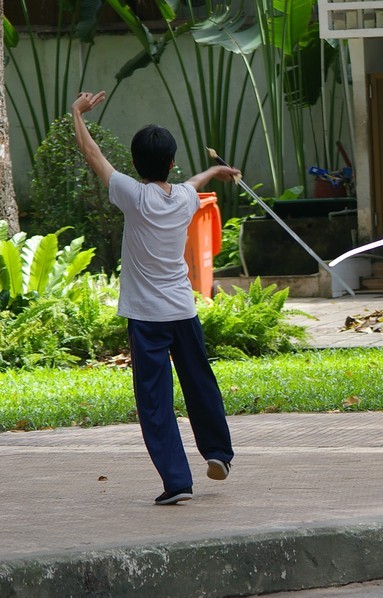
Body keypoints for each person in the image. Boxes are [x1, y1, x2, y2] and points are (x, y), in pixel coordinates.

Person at [72, 91, 241, 505]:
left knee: (154, 400)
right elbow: (191, 185)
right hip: (183, 311)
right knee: (200, 384)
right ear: (170, 162)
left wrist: (77, 113)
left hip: (147, 319)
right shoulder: (183, 199)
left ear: (134, 164)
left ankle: (177, 480)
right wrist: (211, 172)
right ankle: (218, 453)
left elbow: (93, 154)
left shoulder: (132, 195)